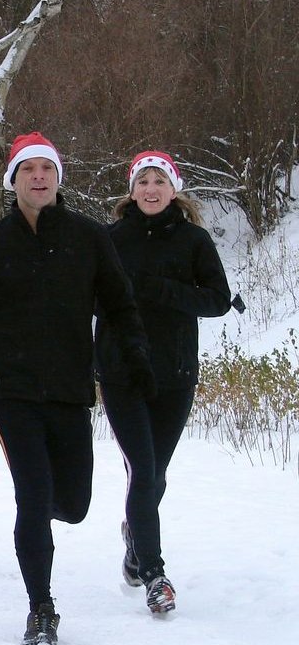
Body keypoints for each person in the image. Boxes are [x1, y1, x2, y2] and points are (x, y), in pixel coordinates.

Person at [0, 132, 153, 645]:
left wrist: (136, 357)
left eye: (47, 170)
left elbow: (120, 305)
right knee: (32, 498)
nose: (39, 177)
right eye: (28, 170)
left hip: (69, 387)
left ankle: (46, 527)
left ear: (58, 178)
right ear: (14, 181)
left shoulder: (88, 238)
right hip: (9, 389)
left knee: (73, 502)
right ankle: (41, 607)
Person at [95, 151, 231, 614]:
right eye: (143, 181)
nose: (151, 189)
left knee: (154, 473)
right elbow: (88, 298)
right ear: (131, 190)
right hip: (121, 371)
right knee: (144, 468)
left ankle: (135, 542)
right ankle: (155, 574)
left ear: (174, 189)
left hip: (174, 374)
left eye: (160, 181)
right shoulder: (110, 238)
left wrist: (160, 290)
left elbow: (217, 300)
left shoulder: (193, 240)